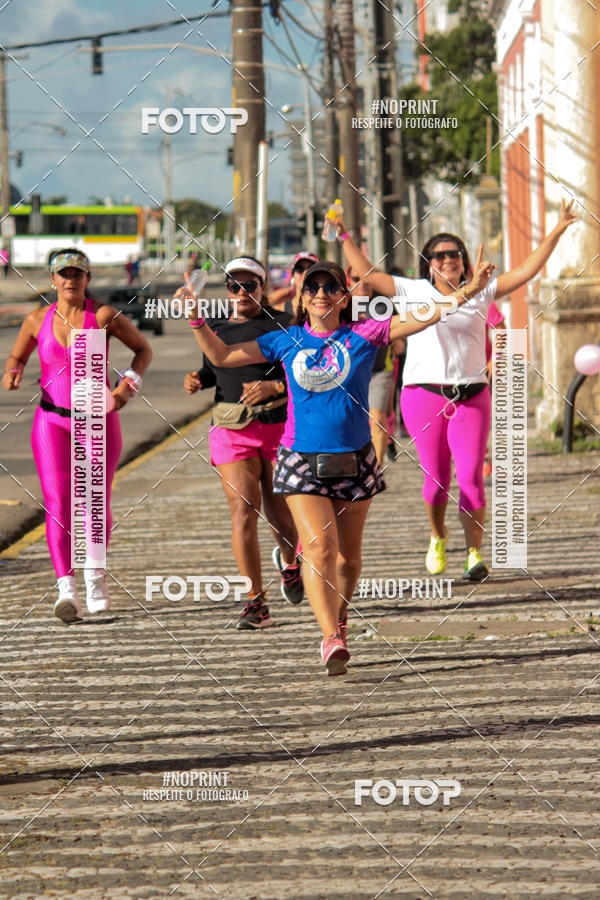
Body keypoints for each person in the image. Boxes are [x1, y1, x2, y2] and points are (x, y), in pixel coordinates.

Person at [183, 253, 494, 674]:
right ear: (301, 297)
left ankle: (341, 616)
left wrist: (469, 291)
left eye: (331, 287)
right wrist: (196, 320)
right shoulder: (285, 339)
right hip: (300, 459)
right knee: (319, 548)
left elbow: (426, 315)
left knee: (348, 559)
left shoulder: (365, 333)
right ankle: (330, 636)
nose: (321, 294)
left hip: (355, 460)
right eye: (312, 287)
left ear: (344, 296)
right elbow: (221, 356)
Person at [338, 199, 576, 581]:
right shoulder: (412, 290)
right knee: (436, 484)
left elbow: (527, 271)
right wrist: (343, 235)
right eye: (440, 255)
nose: (448, 259)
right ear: (428, 264)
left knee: (471, 480)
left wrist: (559, 228)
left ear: (465, 262)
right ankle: (438, 534)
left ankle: (473, 554)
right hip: (423, 396)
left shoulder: (482, 290)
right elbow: (368, 272)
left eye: (455, 254)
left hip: (472, 397)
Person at [2, 248, 152, 622]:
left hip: (96, 421)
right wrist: (12, 371)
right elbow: (17, 357)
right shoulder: (36, 320)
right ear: (52, 279)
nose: (70, 280)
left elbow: (142, 350)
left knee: (94, 503)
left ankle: (95, 577)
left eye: (77, 274)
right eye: (64, 274)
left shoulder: (101, 316)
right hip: (51, 421)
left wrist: (125, 389)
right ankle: (66, 588)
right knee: (58, 504)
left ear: (87, 279)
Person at [180, 255, 303, 628]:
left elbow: (303, 374)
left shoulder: (285, 325)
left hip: (279, 427)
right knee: (243, 509)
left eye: (250, 285)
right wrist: (198, 379)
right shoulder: (216, 328)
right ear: (226, 289)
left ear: (264, 288)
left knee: (281, 514)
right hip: (232, 429)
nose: (242, 291)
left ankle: (291, 563)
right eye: (234, 285)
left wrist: (273, 386)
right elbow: (214, 368)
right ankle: (255, 603)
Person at [346, 266, 396, 466]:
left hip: (379, 370)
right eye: (356, 278)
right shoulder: (342, 306)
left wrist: (398, 340)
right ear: (348, 281)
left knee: (377, 417)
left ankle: (377, 469)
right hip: (351, 373)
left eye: (367, 278)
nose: (362, 283)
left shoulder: (384, 303)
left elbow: (401, 328)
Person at [482, 300, 507, 478]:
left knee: (477, 415)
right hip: (447, 371)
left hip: (479, 369)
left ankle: (481, 455)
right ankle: (462, 457)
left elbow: (500, 328)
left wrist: (495, 359)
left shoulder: (480, 298)